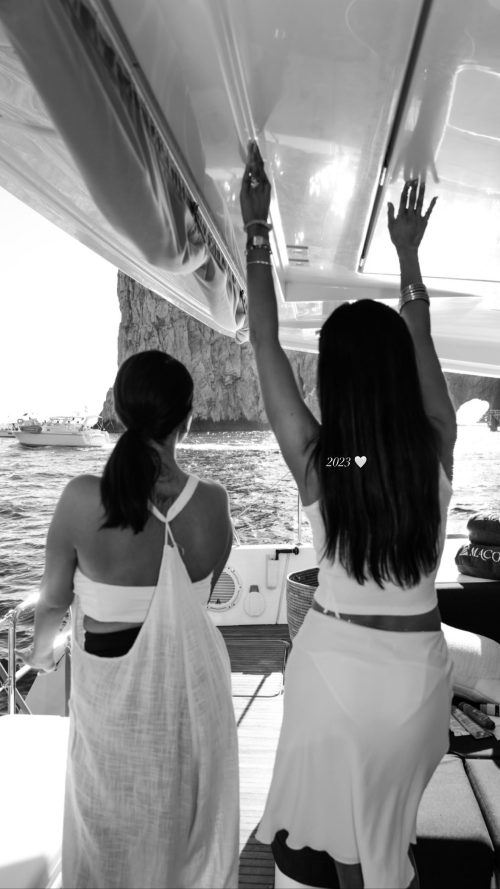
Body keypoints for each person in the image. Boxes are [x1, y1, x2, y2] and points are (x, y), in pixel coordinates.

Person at [240, 141, 456, 889]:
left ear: (332, 380)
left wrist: (257, 229)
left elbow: (262, 340)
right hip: (419, 681)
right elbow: (420, 335)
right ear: (398, 375)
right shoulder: (435, 447)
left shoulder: (325, 463)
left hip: (330, 676)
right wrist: (408, 258)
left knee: (333, 855)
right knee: (392, 845)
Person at [19, 350, 239, 889]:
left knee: (107, 833)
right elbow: (193, 606)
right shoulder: (213, 504)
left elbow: (51, 603)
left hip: (112, 705)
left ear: (118, 413)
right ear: (188, 419)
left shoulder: (81, 499)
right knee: (182, 837)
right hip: (193, 696)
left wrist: (41, 656)